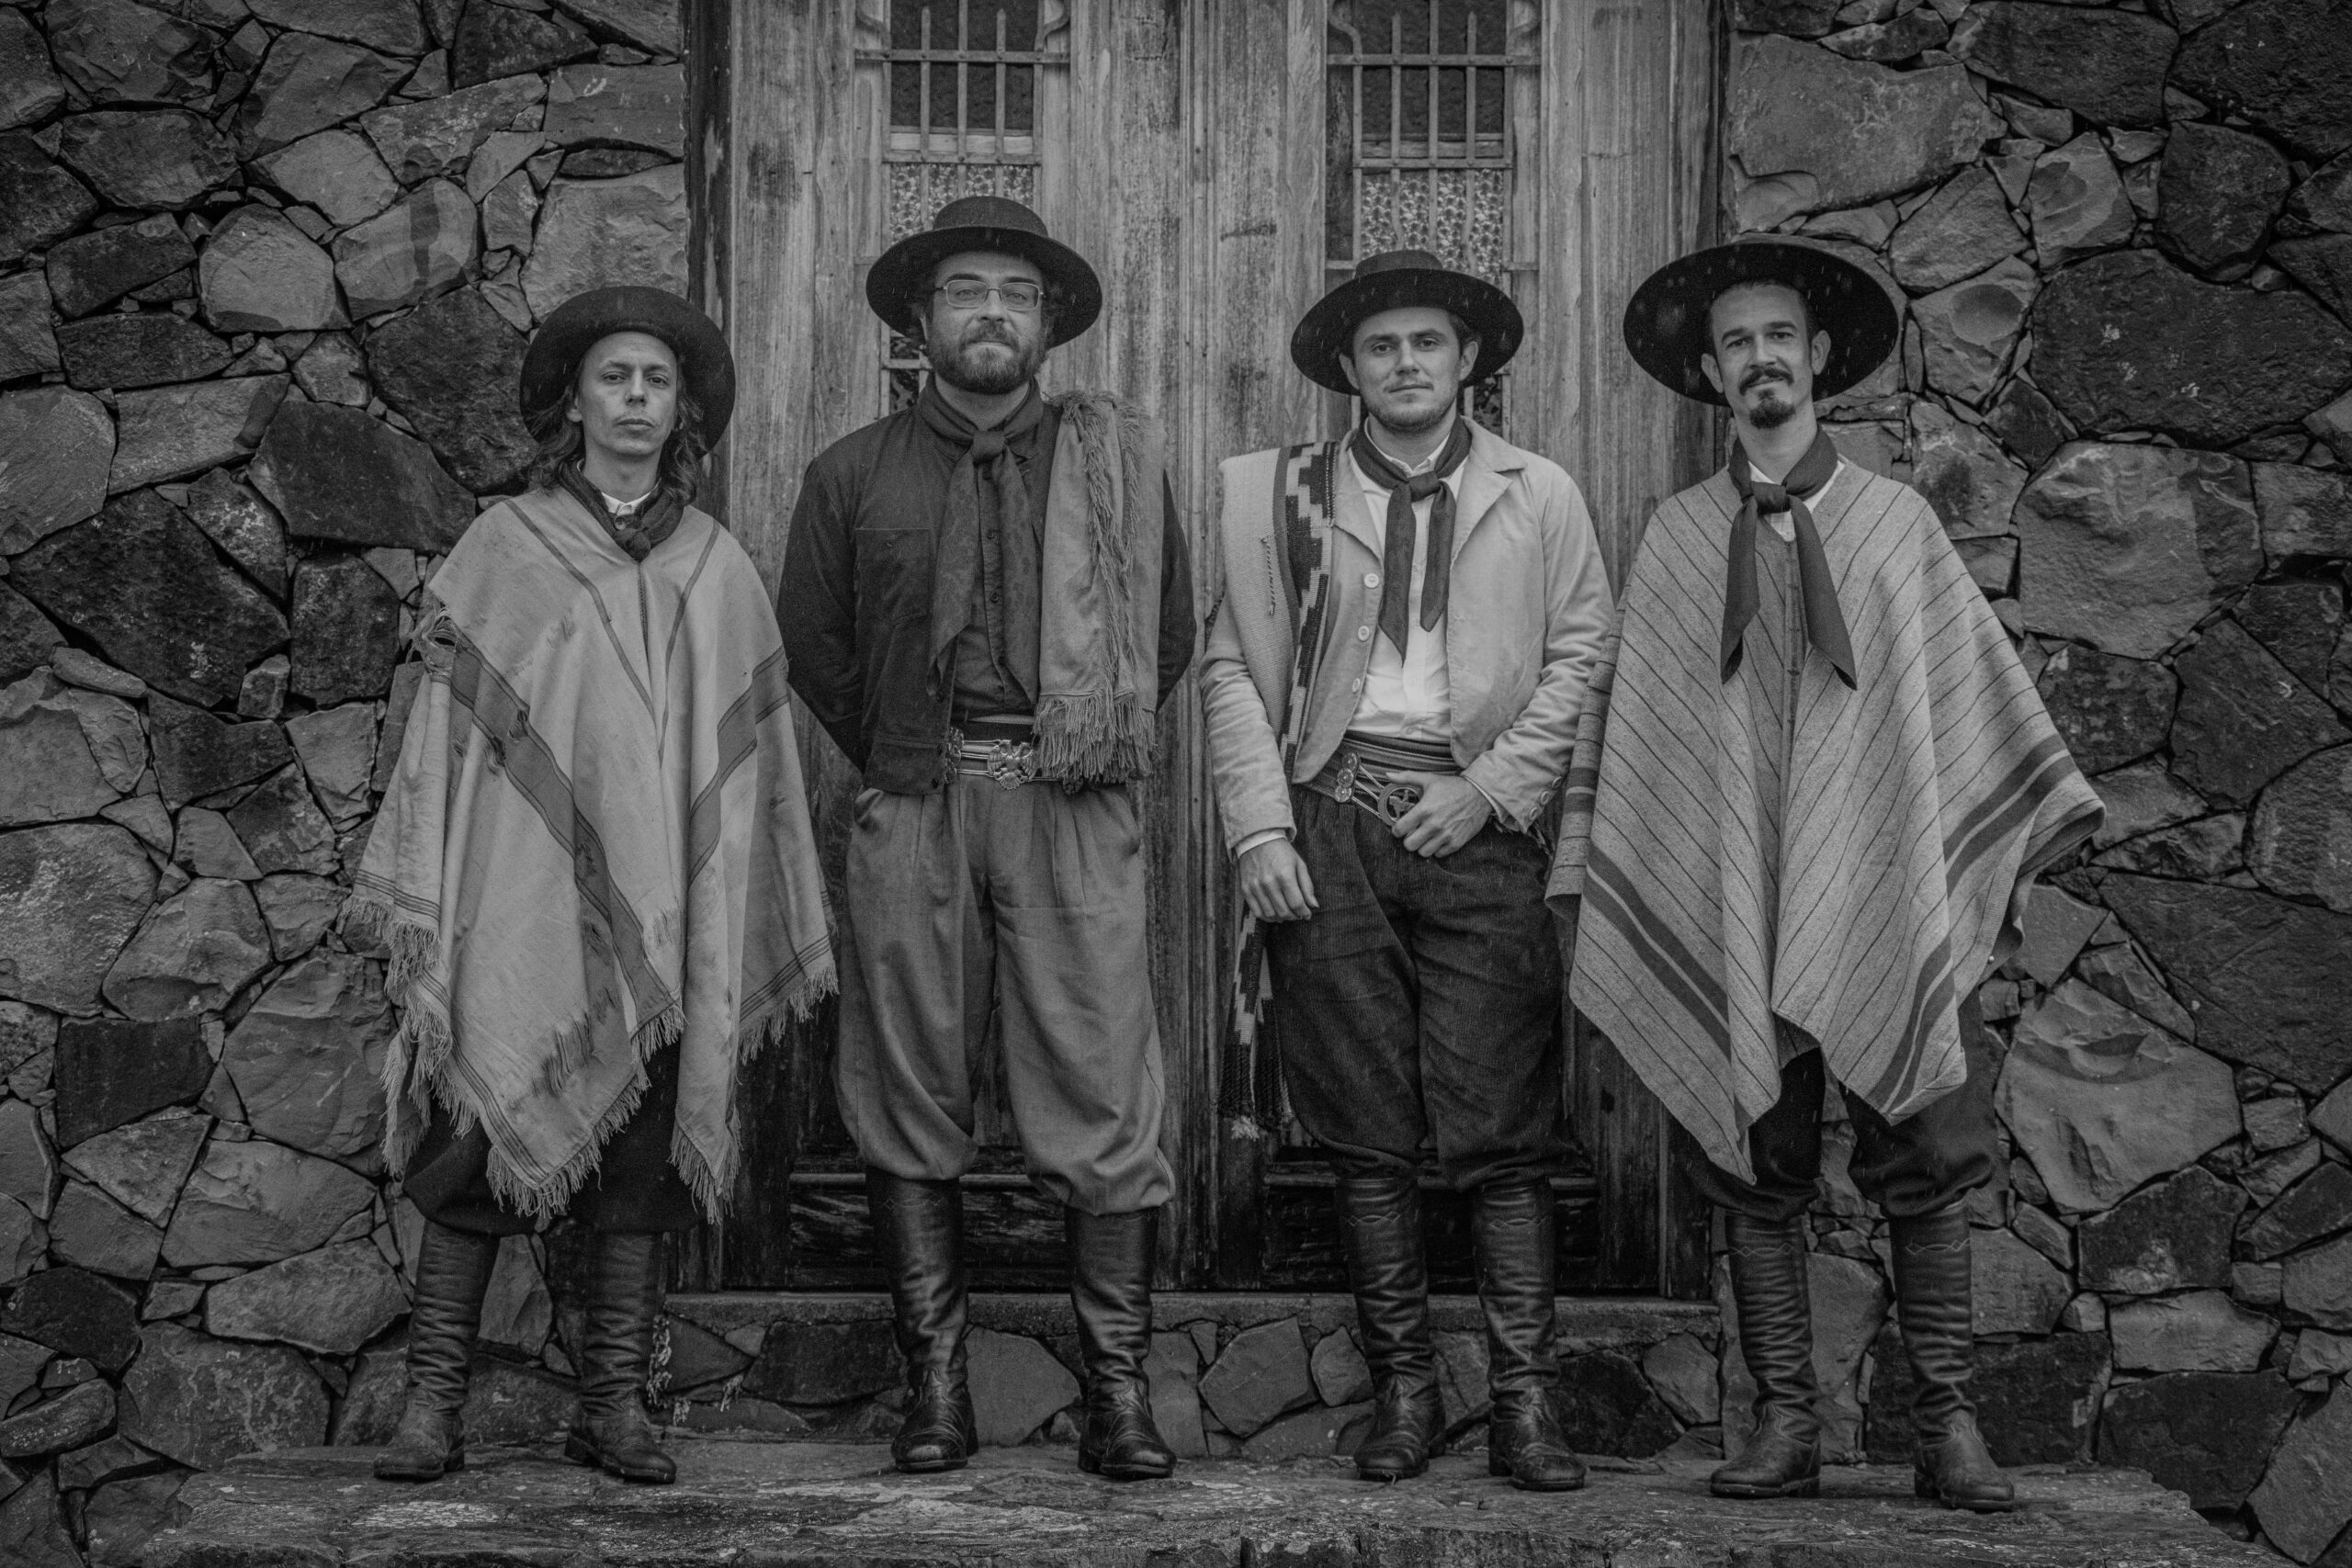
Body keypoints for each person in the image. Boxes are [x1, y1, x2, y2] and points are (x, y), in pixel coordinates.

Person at [1550, 240, 2100, 1512]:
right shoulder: (1678, 540)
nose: (1761, 358)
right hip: (1733, 896)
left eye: (1779, 336)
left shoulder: (1897, 526)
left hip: (1887, 884)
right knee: (1755, 1159)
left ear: (1818, 357)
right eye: (1736, 341)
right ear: (1710, 372)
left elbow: (1958, 711)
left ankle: (1944, 1427)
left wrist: (1925, 859)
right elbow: (1651, 746)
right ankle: (1786, 1422)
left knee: (1931, 1145)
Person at [350, 286, 836, 1487]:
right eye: (613, 376)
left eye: (655, 381)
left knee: (641, 1172)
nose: (634, 397)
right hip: (519, 905)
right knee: (470, 1159)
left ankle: (614, 1407)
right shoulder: (503, 549)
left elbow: (751, 764)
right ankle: (432, 1406)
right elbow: (449, 737)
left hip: (666, 925)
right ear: (573, 402)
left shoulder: (716, 567)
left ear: (681, 413)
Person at [778, 196, 1196, 1482]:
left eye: (1016, 295)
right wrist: (908, 752)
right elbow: (816, 645)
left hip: (1072, 803)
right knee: (908, 1086)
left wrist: (1067, 739)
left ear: (1049, 325)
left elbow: (1167, 633)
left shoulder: (1112, 465)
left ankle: (1118, 1397)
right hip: (916, 801)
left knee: (1100, 1081)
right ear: (921, 319)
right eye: (966, 291)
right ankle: (938, 1392)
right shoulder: (852, 473)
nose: (993, 314)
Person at [1199, 251, 1612, 1490]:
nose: (1406, 363)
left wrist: (1491, 789)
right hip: (1331, 823)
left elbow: (1584, 651)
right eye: (1381, 346)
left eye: (1428, 342)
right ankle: (1407, 1398)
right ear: (1350, 367)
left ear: (1468, 358)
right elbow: (1233, 666)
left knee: (1503, 1127)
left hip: (1480, 829)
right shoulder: (1280, 496)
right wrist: (1260, 829)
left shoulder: (1537, 493)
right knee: (1367, 1134)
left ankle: (1524, 1407)